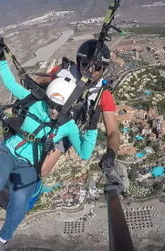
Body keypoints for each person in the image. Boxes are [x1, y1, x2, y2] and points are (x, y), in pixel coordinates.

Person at [0, 41, 100, 250]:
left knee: (20, 199)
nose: (53, 112)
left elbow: (84, 152)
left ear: (68, 107)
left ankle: (2, 241)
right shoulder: (36, 102)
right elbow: (10, 83)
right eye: (51, 106)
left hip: (29, 166)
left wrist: (92, 126)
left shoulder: (69, 125)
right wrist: (0, 58)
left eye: (58, 109)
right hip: (8, 152)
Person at [39, 39, 124, 193]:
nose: (91, 71)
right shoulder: (64, 72)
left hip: (68, 130)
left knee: (42, 170)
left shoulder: (102, 95)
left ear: (103, 69)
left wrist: (110, 155)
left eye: (97, 67)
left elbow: (112, 132)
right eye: (85, 64)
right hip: (48, 114)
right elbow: (40, 81)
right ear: (78, 62)